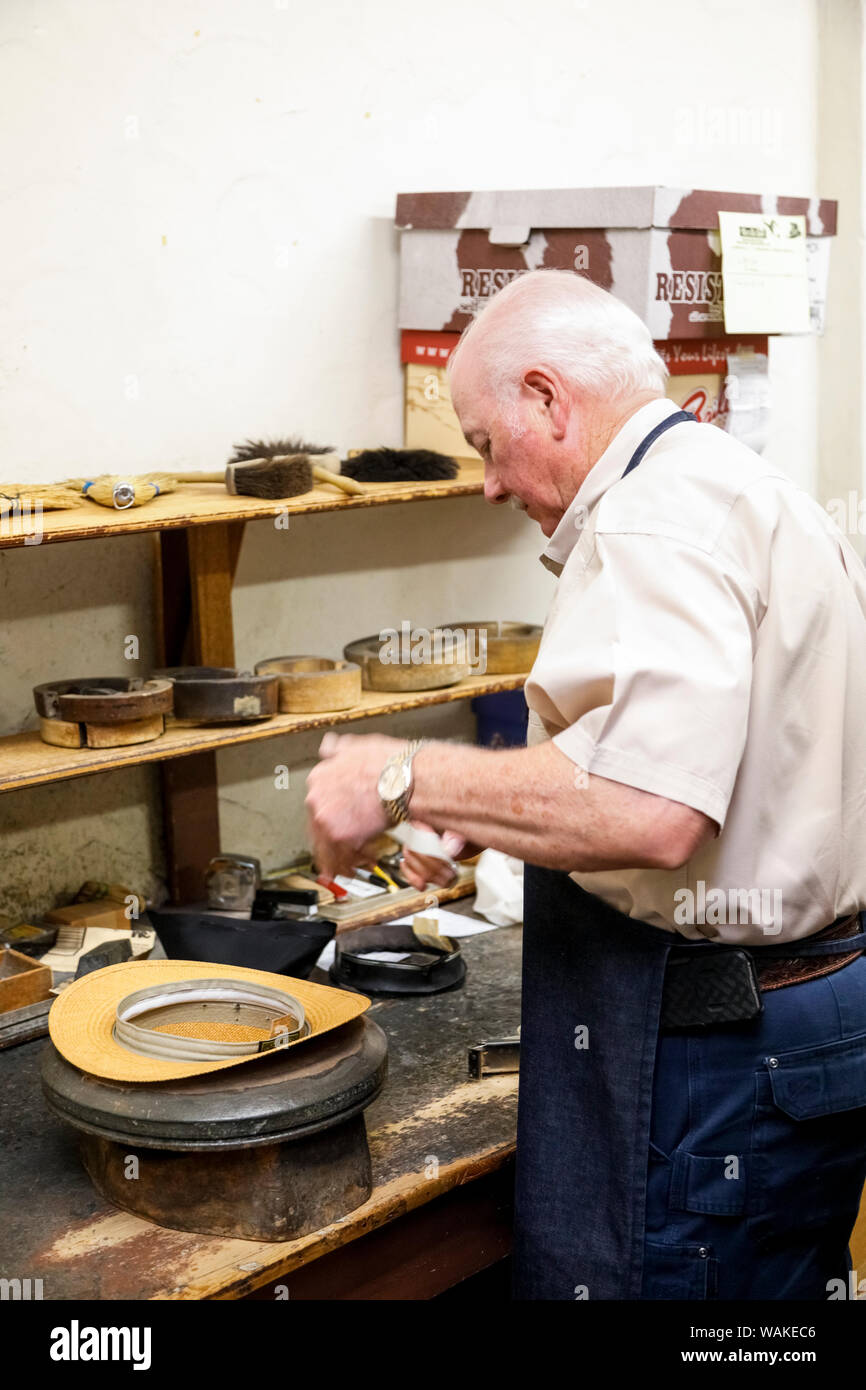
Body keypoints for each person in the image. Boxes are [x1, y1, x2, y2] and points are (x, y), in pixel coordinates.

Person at [305, 268, 866, 1301]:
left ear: (547, 397)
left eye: (482, 442)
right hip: (807, 1022)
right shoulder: (738, 483)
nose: (484, 481)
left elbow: (651, 811)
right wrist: (478, 807)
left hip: (720, 1054)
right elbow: (706, 755)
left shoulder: (649, 521)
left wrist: (400, 773)